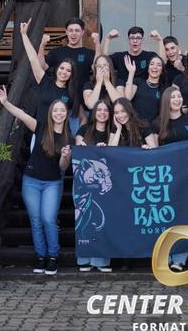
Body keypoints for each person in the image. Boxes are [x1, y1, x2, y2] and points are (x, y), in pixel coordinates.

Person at [0, 86, 71, 276]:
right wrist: (6, 103)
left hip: (53, 183)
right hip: (31, 181)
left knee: (48, 219)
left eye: (62, 110)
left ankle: (53, 257)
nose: (59, 113)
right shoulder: (41, 127)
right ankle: (41, 256)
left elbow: (63, 167)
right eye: (56, 110)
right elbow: (21, 115)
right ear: (51, 113)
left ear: (66, 114)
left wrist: (65, 156)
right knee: (36, 220)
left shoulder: (68, 137)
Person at [152, 86, 188, 271]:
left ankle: (179, 259)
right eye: (173, 97)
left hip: (185, 175)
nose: (177, 99)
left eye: (179, 96)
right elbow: (153, 150)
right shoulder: (157, 123)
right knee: (165, 216)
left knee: (182, 216)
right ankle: (164, 256)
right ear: (166, 101)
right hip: (165, 176)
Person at [39, 17, 101, 135]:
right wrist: (42, 45)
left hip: (82, 106)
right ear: (66, 32)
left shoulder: (88, 53)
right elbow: (42, 67)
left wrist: (97, 43)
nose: (73, 33)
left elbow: (97, 68)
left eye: (77, 30)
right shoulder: (57, 52)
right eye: (71, 30)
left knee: (78, 139)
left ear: (82, 32)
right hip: (59, 106)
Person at [75, 100, 113, 272]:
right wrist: (82, 145)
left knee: (104, 222)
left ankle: (101, 261)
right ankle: (84, 260)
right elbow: (78, 142)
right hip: (85, 186)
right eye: (99, 110)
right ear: (94, 112)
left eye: (106, 110)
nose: (102, 113)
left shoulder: (112, 131)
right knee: (84, 220)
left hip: (105, 186)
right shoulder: (84, 129)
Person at [20, 19, 76, 125]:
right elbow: (33, 59)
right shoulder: (46, 82)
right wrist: (24, 35)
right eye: (62, 68)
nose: (64, 72)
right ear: (57, 69)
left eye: (68, 70)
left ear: (71, 74)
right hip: (40, 130)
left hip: (59, 132)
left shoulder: (70, 93)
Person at [124, 54, 167, 123]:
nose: (155, 67)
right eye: (152, 64)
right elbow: (127, 98)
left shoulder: (163, 89)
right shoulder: (138, 82)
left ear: (162, 70)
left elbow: (163, 112)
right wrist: (131, 73)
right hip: (134, 124)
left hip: (151, 127)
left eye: (159, 65)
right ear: (148, 68)